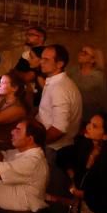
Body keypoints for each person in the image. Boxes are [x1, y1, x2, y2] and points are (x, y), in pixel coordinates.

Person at [35, 44, 82, 193]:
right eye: (41, 58)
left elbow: (59, 128)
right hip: (53, 148)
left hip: (54, 150)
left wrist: (36, 142)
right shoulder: (55, 83)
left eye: (46, 60)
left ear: (60, 64)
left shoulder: (60, 88)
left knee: (49, 192)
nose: (41, 62)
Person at [75, 45, 107, 123]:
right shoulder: (73, 72)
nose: (81, 54)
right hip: (74, 114)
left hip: (90, 115)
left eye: (85, 53)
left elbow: (104, 97)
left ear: (92, 60)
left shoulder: (98, 76)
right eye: (81, 51)